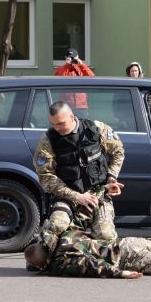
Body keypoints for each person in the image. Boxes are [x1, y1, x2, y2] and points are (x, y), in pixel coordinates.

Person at [33, 102, 124, 240]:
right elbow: (46, 176)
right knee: (56, 227)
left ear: (72, 116)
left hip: (98, 193)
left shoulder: (96, 129)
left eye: (61, 123)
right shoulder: (47, 140)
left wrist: (111, 177)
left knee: (105, 235)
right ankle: (45, 253)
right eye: (53, 124)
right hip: (67, 197)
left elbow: (118, 152)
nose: (57, 128)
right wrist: (77, 197)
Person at [54, 49, 94, 115]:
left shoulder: (81, 69)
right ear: (66, 58)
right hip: (66, 105)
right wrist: (67, 65)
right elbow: (59, 80)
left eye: (74, 57)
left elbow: (92, 78)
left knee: (81, 123)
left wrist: (81, 65)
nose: (72, 59)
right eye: (70, 57)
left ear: (77, 57)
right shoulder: (60, 69)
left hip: (81, 105)